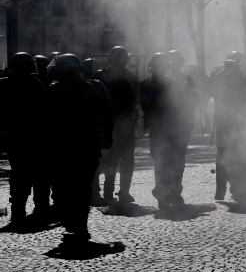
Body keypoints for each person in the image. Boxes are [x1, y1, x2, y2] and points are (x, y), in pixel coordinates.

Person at [44, 54, 113, 242]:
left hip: (63, 147)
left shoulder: (54, 90)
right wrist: (107, 136)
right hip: (88, 145)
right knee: (83, 186)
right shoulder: (95, 87)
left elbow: (45, 121)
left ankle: (70, 219)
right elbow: (108, 113)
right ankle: (80, 223)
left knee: (65, 185)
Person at [209, 51, 246, 204]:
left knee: (223, 155)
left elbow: (211, 93)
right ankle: (240, 191)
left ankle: (221, 191)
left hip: (224, 122)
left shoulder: (218, 75)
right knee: (242, 157)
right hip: (243, 122)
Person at [0, 53, 47, 227]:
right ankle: (41, 210)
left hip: (15, 138)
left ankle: (18, 212)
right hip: (35, 138)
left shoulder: (5, 84)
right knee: (39, 176)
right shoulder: (35, 84)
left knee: (19, 174)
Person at [92, 46, 140, 203]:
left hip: (108, 122)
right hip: (119, 123)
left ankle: (107, 191)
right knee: (122, 159)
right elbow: (136, 100)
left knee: (106, 158)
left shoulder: (100, 76)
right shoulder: (130, 77)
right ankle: (122, 192)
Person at [139, 52, 186, 209]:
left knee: (168, 160)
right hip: (163, 128)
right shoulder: (150, 84)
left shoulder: (151, 83)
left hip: (167, 127)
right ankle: (163, 191)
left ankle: (168, 192)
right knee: (166, 160)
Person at [168, 50, 199, 139]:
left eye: (178, 62)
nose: (175, 65)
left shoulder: (187, 79)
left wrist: (188, 109)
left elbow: (196, 98)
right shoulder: (161, 80)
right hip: (166, 119)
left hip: (182, 117)